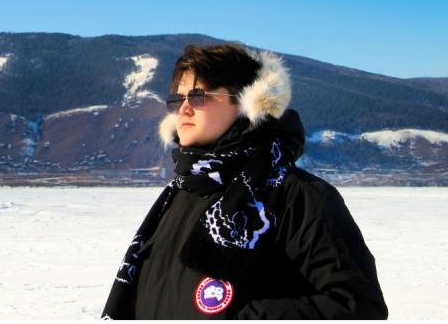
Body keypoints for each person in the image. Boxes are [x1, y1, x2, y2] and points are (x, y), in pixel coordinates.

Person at [102, 43, 388, 319]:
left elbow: (358, 307)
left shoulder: (299, 197)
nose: (184, 109)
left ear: (247, 103)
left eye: (198, 96)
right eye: (178, 99)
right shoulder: (177, 195)